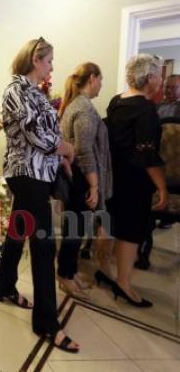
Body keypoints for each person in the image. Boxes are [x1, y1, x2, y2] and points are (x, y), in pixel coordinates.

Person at [0, 37, 79, 353]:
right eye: (48, 61)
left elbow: (50, 134)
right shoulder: (15, 90)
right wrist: (66, 148)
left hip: (39, 173)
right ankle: (47, 323)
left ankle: (4, 287)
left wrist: (63, 159)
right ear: (34, 59)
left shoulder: (35, 93)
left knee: (17, 232)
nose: (51, 67)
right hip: (25, 174)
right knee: (44, 246)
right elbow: (38, 136)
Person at [106, 53, 167, 307]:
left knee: (118, 226)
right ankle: (124, 283)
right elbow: (147, 154)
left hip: (113, 176)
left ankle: (113, 274)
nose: (161, 80)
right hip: (134, 181)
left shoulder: (115, 102)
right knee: (130, 233)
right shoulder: (146, 110)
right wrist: (162, 187)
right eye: (160, 75)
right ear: (150, 77)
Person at [56, 63, 113, 297]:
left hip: (75, 176)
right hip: (81, 177)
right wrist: (94, 185)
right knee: (75, 230)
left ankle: (69, 271)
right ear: (92, 78)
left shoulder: (74, 105)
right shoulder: (85, 109)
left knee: (75, 229)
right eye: (101, 79)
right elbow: (84, 151)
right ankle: (65, 276)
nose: (101, 84)